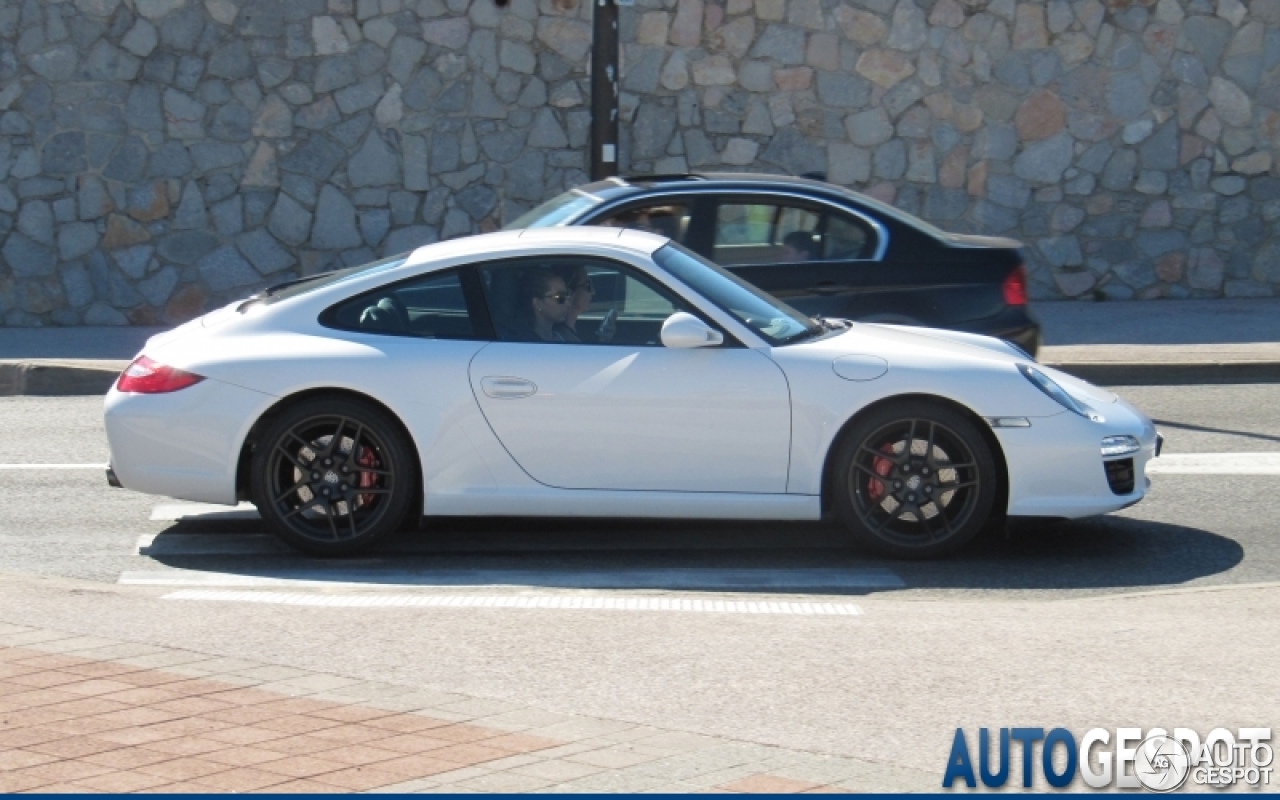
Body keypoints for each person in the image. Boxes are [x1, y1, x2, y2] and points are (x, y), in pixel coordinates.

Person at [518, 268, 580, 343]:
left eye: (567, 296)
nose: (568, 304)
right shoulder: (526, 345)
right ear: (537, 303)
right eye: (559, 297)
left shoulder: (565, 336)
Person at [557, 265, 615, 343]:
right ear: (570, 293)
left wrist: (603, 339)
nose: (593, 292)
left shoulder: (567, 333)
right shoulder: (560, 339)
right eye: (588, 286)